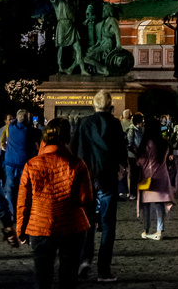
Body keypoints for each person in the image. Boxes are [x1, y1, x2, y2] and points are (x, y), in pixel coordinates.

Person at [16, 118, 93, 289]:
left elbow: (23, 201)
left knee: (42, 276)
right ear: (67, 137)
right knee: (68, 276)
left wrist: (21, 229)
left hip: (40, 225)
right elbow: (85, 199)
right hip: (71, 226)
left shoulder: (32, 165)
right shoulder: (77, 164)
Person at [71, 89, 127, 283]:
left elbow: (77, 149)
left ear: (93, 105)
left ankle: (84, 260)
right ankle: (104, 269)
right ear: (110, 106)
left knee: (85, 221)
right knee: (108, 224)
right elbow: (121, 150)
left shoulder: (84, 123)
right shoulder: (115, 123)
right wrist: (122, 166)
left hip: (87, 176)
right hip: (107, 177)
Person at [136, 116, 174, 240]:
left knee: (146, 205)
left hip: (148, 177)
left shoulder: (147, 144)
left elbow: (142, 160)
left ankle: (146, 229)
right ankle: (159, 229)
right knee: (159, 204)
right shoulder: (164, 143)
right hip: (162, 176)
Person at [3, 109, 38, 219]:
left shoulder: (11, 128)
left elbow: (12, 121)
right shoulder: (29, 130)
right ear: (27, 120)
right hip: (23, 163)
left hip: (10, 162)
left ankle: (11, 214)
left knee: (10, 189)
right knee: (23, 189)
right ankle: (22, 214)